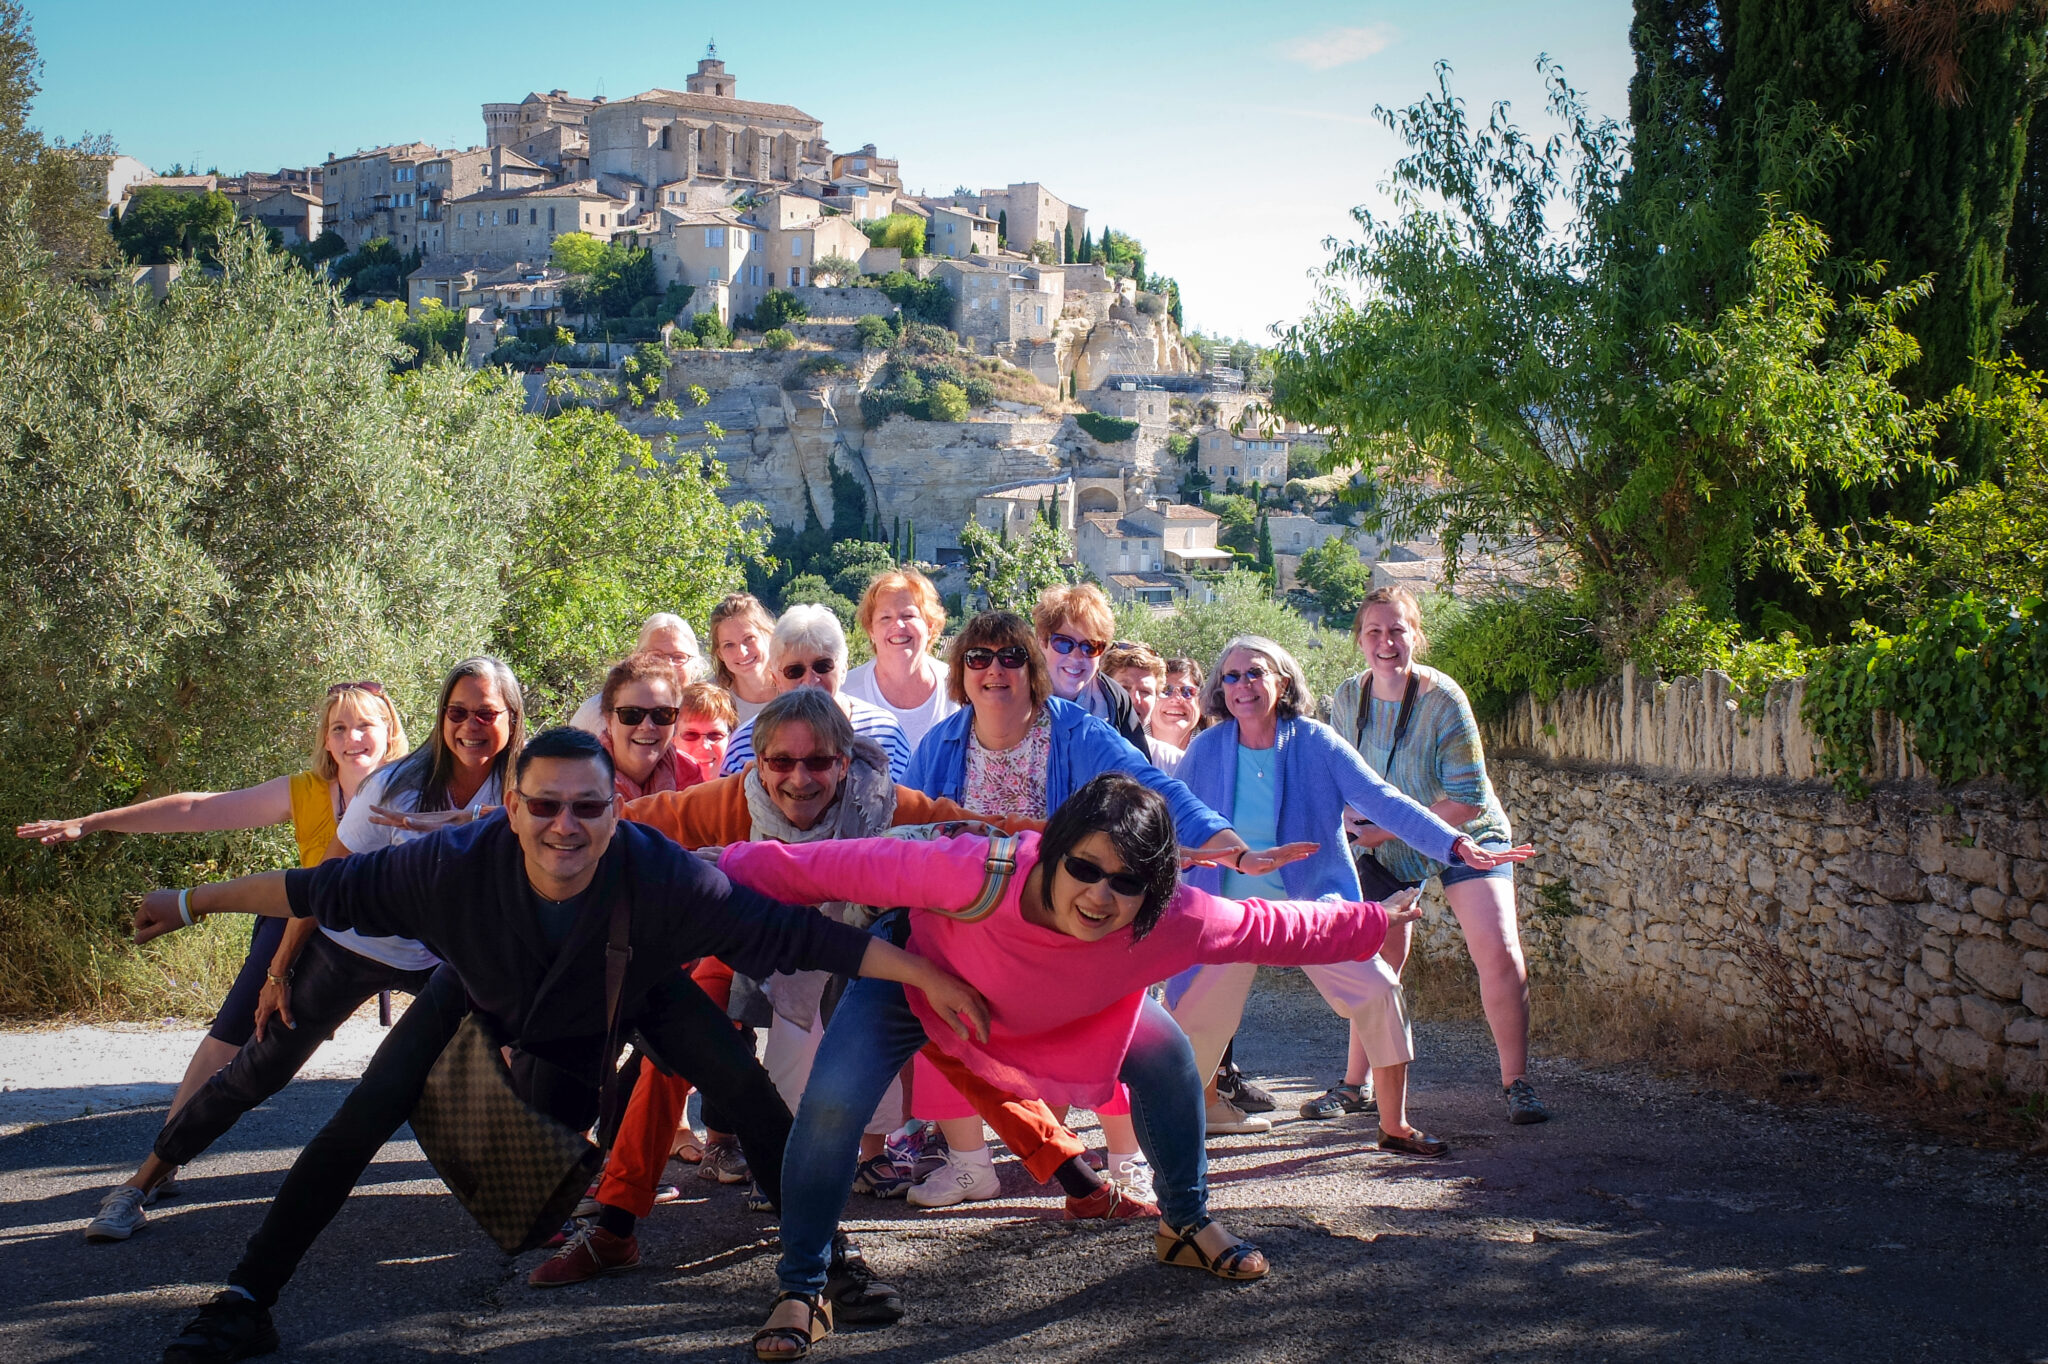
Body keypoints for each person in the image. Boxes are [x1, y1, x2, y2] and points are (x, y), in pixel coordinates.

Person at [136, 726, 988, 1364]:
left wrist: (923, 975)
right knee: (357, 1123)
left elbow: (799, 936)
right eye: (543, 806)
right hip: (475, 997)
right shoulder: (447, 867)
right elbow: (311, 886)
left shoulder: (666, 874)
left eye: (587, 807)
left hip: (638, 992)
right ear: (512, 809)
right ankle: (246, 1298)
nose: (565, 826)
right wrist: (187, 902)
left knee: (750, 1098)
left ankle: (825, 1262)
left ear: (614, 814)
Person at [723, 774, 1424, 1361]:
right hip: (919, 980)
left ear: (1154, 892)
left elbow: (1276, 929)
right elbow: (812, 868)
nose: (1099, 896)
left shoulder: (1175, 917)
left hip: (1072, 1005)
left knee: (1168, 1053)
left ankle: (1184, 1224)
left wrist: (1375, 919)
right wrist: (690, 868)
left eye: (1126, 883)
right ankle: (804, 1286)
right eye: (1084, 869)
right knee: (833, 1105)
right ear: (1053, 855)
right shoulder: (976, 872)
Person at [539, 689, 1048, 1288]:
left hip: (861, 947)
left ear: (844, 761)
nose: (799, 780)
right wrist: (496, 826)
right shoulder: (731, 800)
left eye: (818, 764)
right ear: (757, 763)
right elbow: (632, 822)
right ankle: (615, 1229)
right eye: (781, 762)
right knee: (670, 1050)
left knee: (944, 1025)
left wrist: (1095, 846)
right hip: (749, 949)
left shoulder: (884, 805)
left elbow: (987, 833)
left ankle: (1070, 1173)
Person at [90, 659, 522, 1242]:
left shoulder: (525, 784)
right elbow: (323, 881)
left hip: (441, 957)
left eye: (486, 713)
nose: (471, 725)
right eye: (457, 712)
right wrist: (279, 970)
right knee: (256, 1070)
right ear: (440, 719)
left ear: (512, 720)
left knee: (519, 1045)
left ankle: (545, 1187)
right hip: (351, 942)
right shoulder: (398, 786)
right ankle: (139, 1185)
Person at [898, 612, 1284, 1206]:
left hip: (1070, 910)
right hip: (973, 920)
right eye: (978, 658)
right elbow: (911, 827)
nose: (994, 670)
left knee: (1112, 1022)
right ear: (962, 671)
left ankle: (1128, 1162)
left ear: (1031, 670)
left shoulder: (1074, 732)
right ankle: (970, 1163)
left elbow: (1154, 788)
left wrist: (1224, 844)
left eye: (1009, 657)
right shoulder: (942, 742)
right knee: (949, 1021)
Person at [18, 682, 408, 1241]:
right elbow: (200, 808)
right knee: (232, 1034)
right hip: (306, 925)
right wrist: (94, 821)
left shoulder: (413, 785)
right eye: (339, 728)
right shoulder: (306, 790)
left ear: (389, 728)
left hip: (401, 933)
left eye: (364, 725)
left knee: (495, 1011)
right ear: (325, 740)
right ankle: (159, 1164)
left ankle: (556, 1158)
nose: (352, 738)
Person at [1168, 636, 1532, 1150]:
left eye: (1255, 674)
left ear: (1283, 682)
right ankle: (1173, 1127)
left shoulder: (1315, 742)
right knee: (1190, 1023)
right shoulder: (1207, 749)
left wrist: (1454, 844)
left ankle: (1394, 1125)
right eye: (1231, 677)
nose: (1242, 686)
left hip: (1312, 910)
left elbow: (1383, 801)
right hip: (1229, 915)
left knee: (1380, 991)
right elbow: (1171, 817)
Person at [1330, 586, 1550, 1125]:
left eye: (1397, 630)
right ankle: (1353, 1086)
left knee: (1497, 951)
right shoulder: (1345, 698)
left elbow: (1467, 799)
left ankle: (1516, 1083)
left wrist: (1380, 832)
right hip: (1388, 844)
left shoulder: (1442, 698)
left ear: (1415, 637)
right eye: (1375, 631)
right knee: (1374, 964)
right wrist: (1350, 825)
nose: (1387, 642)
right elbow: (1336, 779)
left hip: (1465, 835)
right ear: (1359, 639)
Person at [720, 605, 912, 783]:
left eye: (822, 666)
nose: (810, 681)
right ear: (776, 678)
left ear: (844, 669)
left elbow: (907, 810)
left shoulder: (886, 732)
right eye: (795, 671)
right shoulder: (745, 744)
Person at [841, 569, 959, 751]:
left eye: (908, 616)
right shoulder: (845, 694)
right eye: (885, 618)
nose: (898, 625)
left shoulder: (959, 688)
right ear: (871, 631)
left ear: (930, 627)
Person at [1031, 584, 1150, 752]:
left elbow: (1138, 773)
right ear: (1043, 642)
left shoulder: (1115, 701)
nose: (1077, 657)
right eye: (1064, 643)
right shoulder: (1017, 695)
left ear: (1102, 652)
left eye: (1090, 647)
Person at [597, 652, 707, 799]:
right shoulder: (582, 778)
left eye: (662, 714)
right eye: (632, 714)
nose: (647, 725)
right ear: (609, 720)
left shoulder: (687, 772)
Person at [569, 613, 703, 734]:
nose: (668, 665)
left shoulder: (708, 712)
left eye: (679, 657)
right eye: (657, 656)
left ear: (695, 663)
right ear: (638, 657)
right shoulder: (595, 711)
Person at [1103, 641, 1184, 774]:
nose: (1134, 699)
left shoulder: (1174, 763)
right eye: (1124, 688)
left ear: (1157, 698)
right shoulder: (1074, 748)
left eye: (1145, 692)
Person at [710, 592, 780, 723]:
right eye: (729, 645)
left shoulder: (796, 685)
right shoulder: (710, 700)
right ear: (720, 654)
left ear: (769, 636)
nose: (741, 652)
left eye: (749, 638)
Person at [676, 681, 738, 773]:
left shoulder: (749, 786)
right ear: (672, 740)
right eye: (691, 735)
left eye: (715, 735)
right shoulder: (655, 786)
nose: (704, 745)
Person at [1150, 656, 1209, 752]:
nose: (1176, 699)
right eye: (1165, 690)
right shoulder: (1127, 745)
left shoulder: (1220, 752)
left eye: (1188, 691)